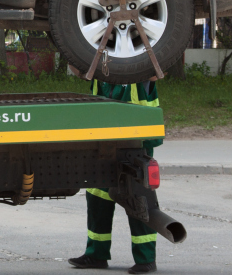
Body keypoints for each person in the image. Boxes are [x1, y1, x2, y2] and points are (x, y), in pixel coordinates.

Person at [69, 76, 163, 274]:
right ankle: (96, 254)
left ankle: (146, 259)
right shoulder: (100, 73)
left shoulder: (140, 71)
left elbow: (154, 72)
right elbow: (77, 69)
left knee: (138, 199)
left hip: (135, 146)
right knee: (97, 197)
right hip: (104, 145)